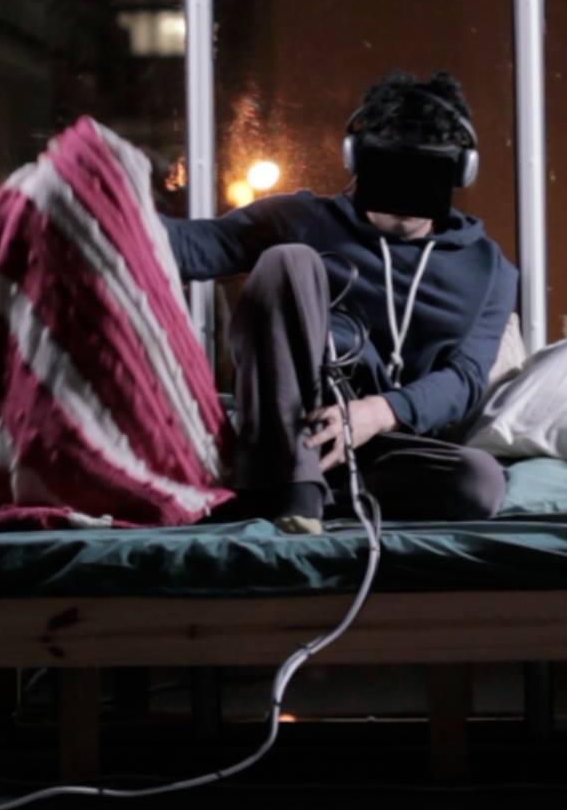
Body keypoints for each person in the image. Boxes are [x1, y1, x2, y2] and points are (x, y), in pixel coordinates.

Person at [161, 71, 519, 529]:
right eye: (391, 165)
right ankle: (293, 489)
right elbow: (189, 246)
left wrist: (380, 412)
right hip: (285, 430)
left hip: (379, 441)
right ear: (359, 160)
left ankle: (288, 495)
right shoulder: (300, 219)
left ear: (458, 171)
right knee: (289, 258)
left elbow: (465, 378)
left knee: (478, 483)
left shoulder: (491, 269)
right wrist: (103, 201)